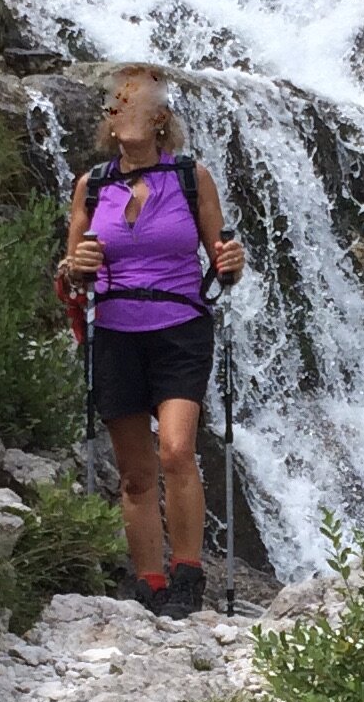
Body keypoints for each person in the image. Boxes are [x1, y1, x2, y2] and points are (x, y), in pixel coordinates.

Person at [57, 64, 245, 617]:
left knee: (176, 450)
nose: (120, 112)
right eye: (114, 105)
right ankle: (149, 584)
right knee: (137, 473)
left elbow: (223, 265)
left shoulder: (191, 178)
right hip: (114, 333)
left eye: (132, 102)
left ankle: (188, 576)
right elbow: (71, 272)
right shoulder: (92, 187)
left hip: (181, 328)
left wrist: (231, 262)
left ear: (160, 117)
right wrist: (78, 266)